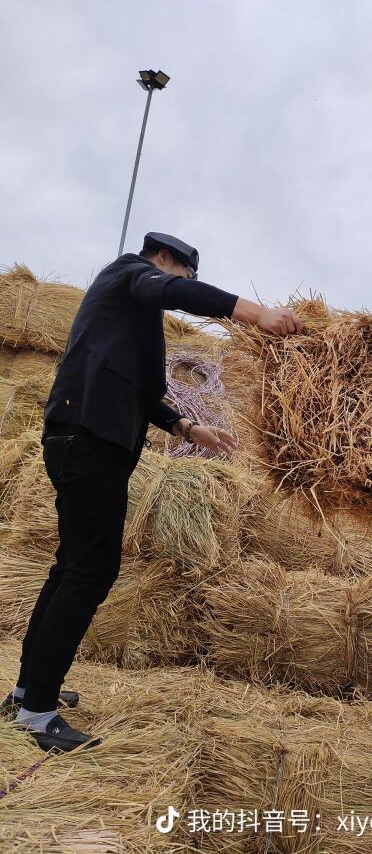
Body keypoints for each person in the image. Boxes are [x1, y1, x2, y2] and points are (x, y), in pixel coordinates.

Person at [0, 232, 304, 752]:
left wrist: (187, 428)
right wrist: (254, 314)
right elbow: (171, 291)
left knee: (71, 566)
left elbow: (142, 391)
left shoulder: (126, 321)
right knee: (91, 570)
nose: (177, 286)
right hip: (89, 443)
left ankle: (29, 690)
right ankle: (36, 713)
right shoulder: (128, 274)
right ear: (164, 259)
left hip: (84, 441)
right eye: (181, 275)